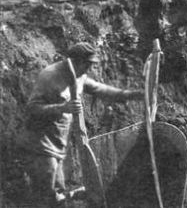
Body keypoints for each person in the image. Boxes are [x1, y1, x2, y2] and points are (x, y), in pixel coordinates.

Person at [23, 43, 143, 206]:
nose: (88, 69)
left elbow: (103, 90)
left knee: (58, 193)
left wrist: (133, 95)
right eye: (86, 64)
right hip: (39, 144)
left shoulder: (79, 76)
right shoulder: (49, 76)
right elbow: (32, 108)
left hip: (57, 144)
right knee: (50, 195)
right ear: (74, 61)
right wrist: (62, 108)